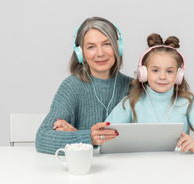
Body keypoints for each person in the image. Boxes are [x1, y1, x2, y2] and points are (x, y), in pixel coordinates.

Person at [104, 33, 194, 153]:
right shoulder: (132, 102)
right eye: (155, 70)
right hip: (141, 168)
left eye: (169, 71)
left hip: (178, 168)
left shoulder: (187, 102)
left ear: (178, 75)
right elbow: (104, 134)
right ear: (144, 73)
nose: (162, 76)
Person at [35, 17, 132, 154]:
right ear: (81, 54)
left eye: (107, 44)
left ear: (118, 47)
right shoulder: (72, 86)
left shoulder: (134, 87)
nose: (100, 53)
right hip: (86, 171)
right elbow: (42, 138)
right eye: (91, 47)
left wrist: (76, 134)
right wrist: (88, 137)